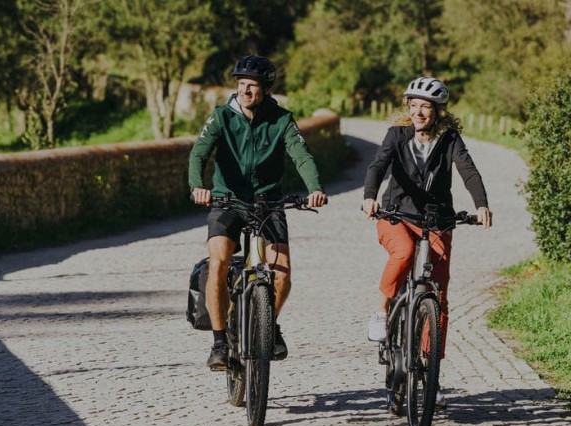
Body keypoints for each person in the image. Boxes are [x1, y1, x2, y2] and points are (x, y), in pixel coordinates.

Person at [188, 55, 328, 370]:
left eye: (252, 86)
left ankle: (269, 324)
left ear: (265, 89)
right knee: (218, 261)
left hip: (269, 202)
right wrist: (198, 185)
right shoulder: (222, 116)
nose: (245, 91)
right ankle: (220, 342)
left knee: (282, 272)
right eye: (241, 85)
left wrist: (315, 188)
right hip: (228, 200)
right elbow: (199, 152)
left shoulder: (281, 119)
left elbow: (301, 155)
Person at [362, 77, 492, 400]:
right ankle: (382, 311)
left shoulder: (449, 140)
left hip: (436, 221)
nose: (419, 112)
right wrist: (369, 196)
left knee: (440, 293)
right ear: (408, 107)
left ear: (437, 111)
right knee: (403, 252)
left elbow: (468, 171)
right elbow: (378, 166)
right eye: (414, 105)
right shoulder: (397, 135)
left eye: (426, 107)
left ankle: (429, 365)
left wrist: (481, 204)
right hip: (397, 216)